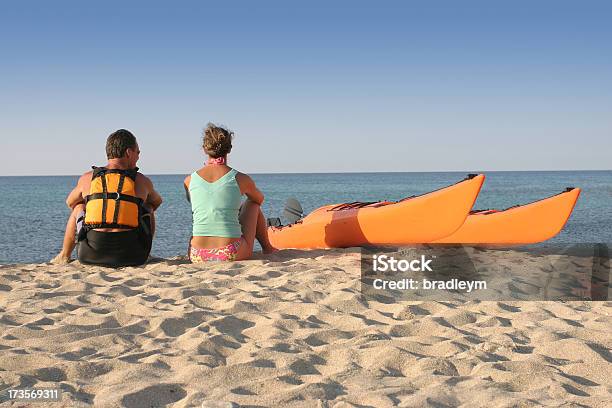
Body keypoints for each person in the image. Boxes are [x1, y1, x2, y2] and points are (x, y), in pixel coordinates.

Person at [51, 129, 162, 267]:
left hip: (89, 255)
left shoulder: (87, 178)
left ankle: (64, 255)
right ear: (128, 152)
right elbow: (157, 202)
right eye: (137, 152)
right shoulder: (142, 181)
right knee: (148, 207)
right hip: (133, 256)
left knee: (79, 206)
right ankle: (148, 253)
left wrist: (94, 207)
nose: (138, 156)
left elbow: (70, 203)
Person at [184, 123, 276, 262]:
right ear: (229, 149)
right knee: (252, 204)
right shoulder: (240, 178)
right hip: (229, 253)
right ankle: (268, 248)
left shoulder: (189, 180)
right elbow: (259, 199)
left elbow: (203, 206)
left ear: (204, 149)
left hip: (197, 255)